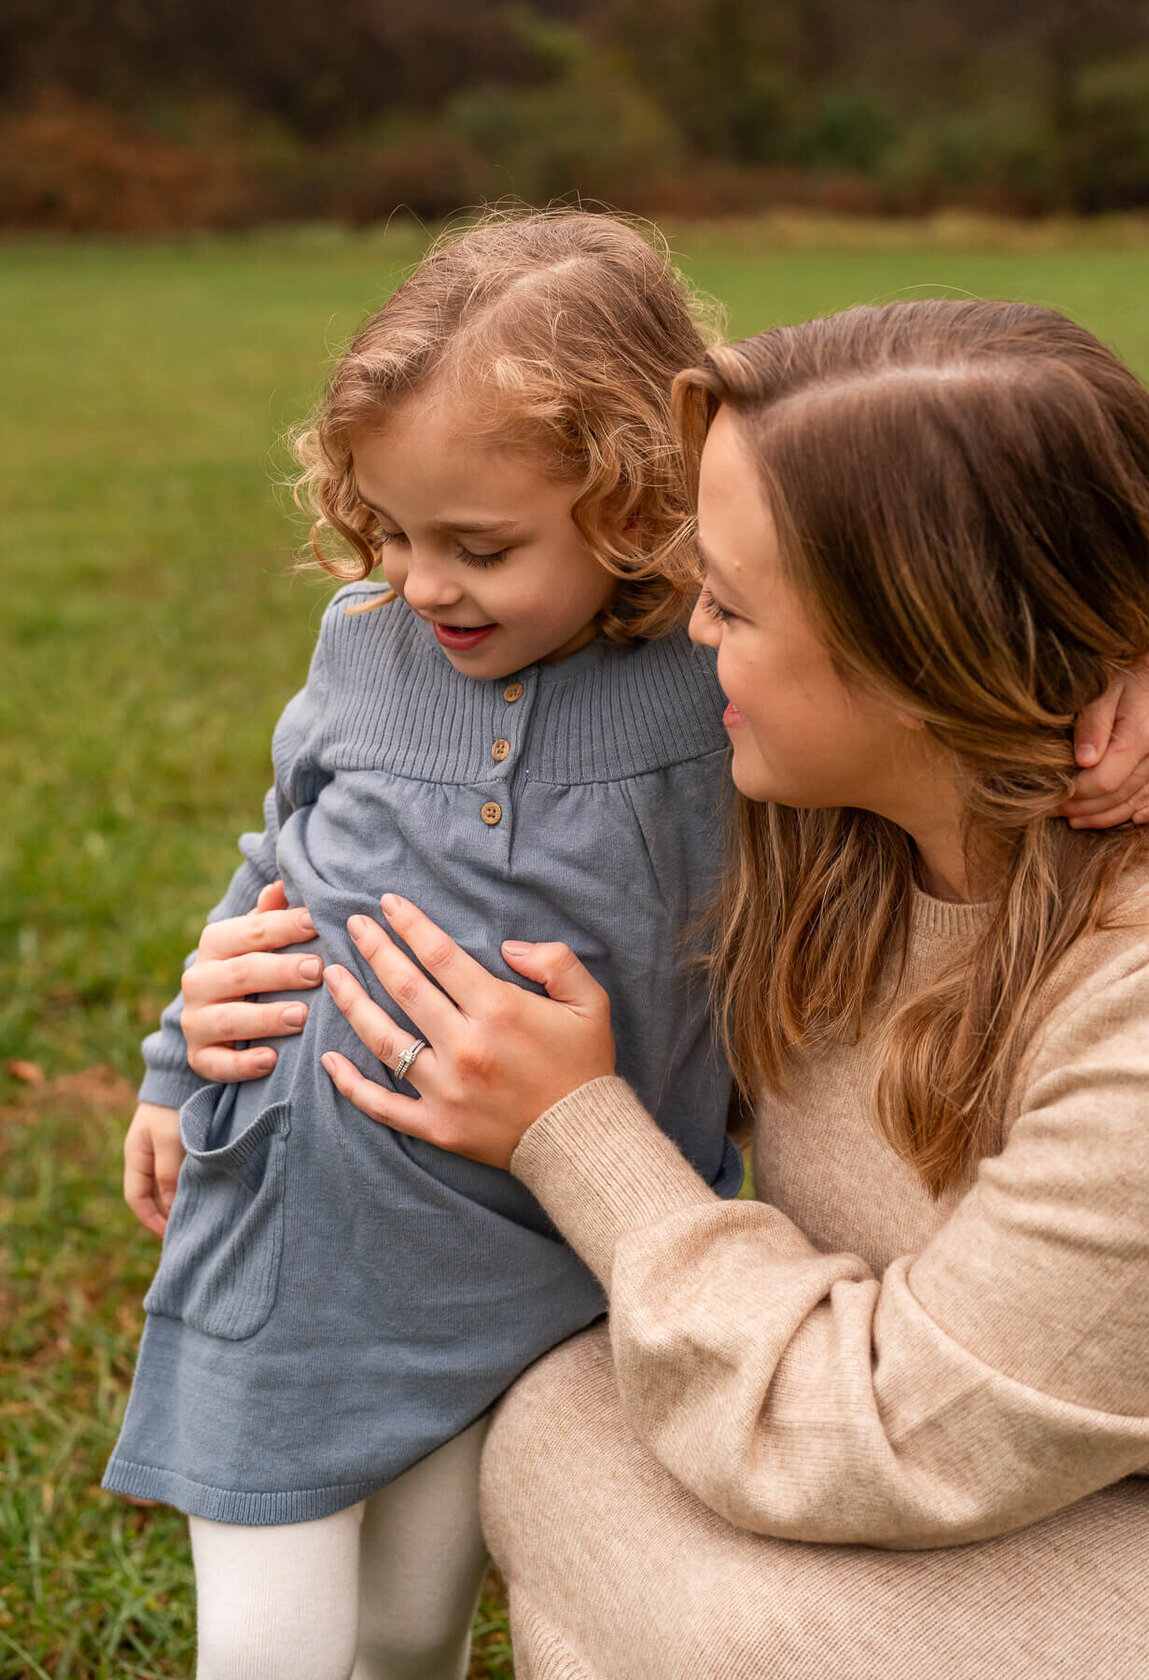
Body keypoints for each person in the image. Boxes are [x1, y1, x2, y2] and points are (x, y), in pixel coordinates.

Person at [134, 274, 1149, 1672]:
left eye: (734, 606)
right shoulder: (821, 825)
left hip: (1097, 1511)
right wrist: (251, 982)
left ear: (910, 648)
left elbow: (889, 1438)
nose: (683, 637)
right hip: (964, 1438)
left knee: (746, 1625)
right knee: (558, 1423)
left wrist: (574, 1132)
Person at [105, 211, 750, 1680]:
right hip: (298, 1215)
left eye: (480, 547)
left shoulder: (716, 682)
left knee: (407, 1633)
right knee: (269, 1652)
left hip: (529, 1253)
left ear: (640, 500)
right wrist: (167, 1066)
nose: (420, 584)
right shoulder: (362, 643)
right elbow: (286, 852)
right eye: (391, 530)